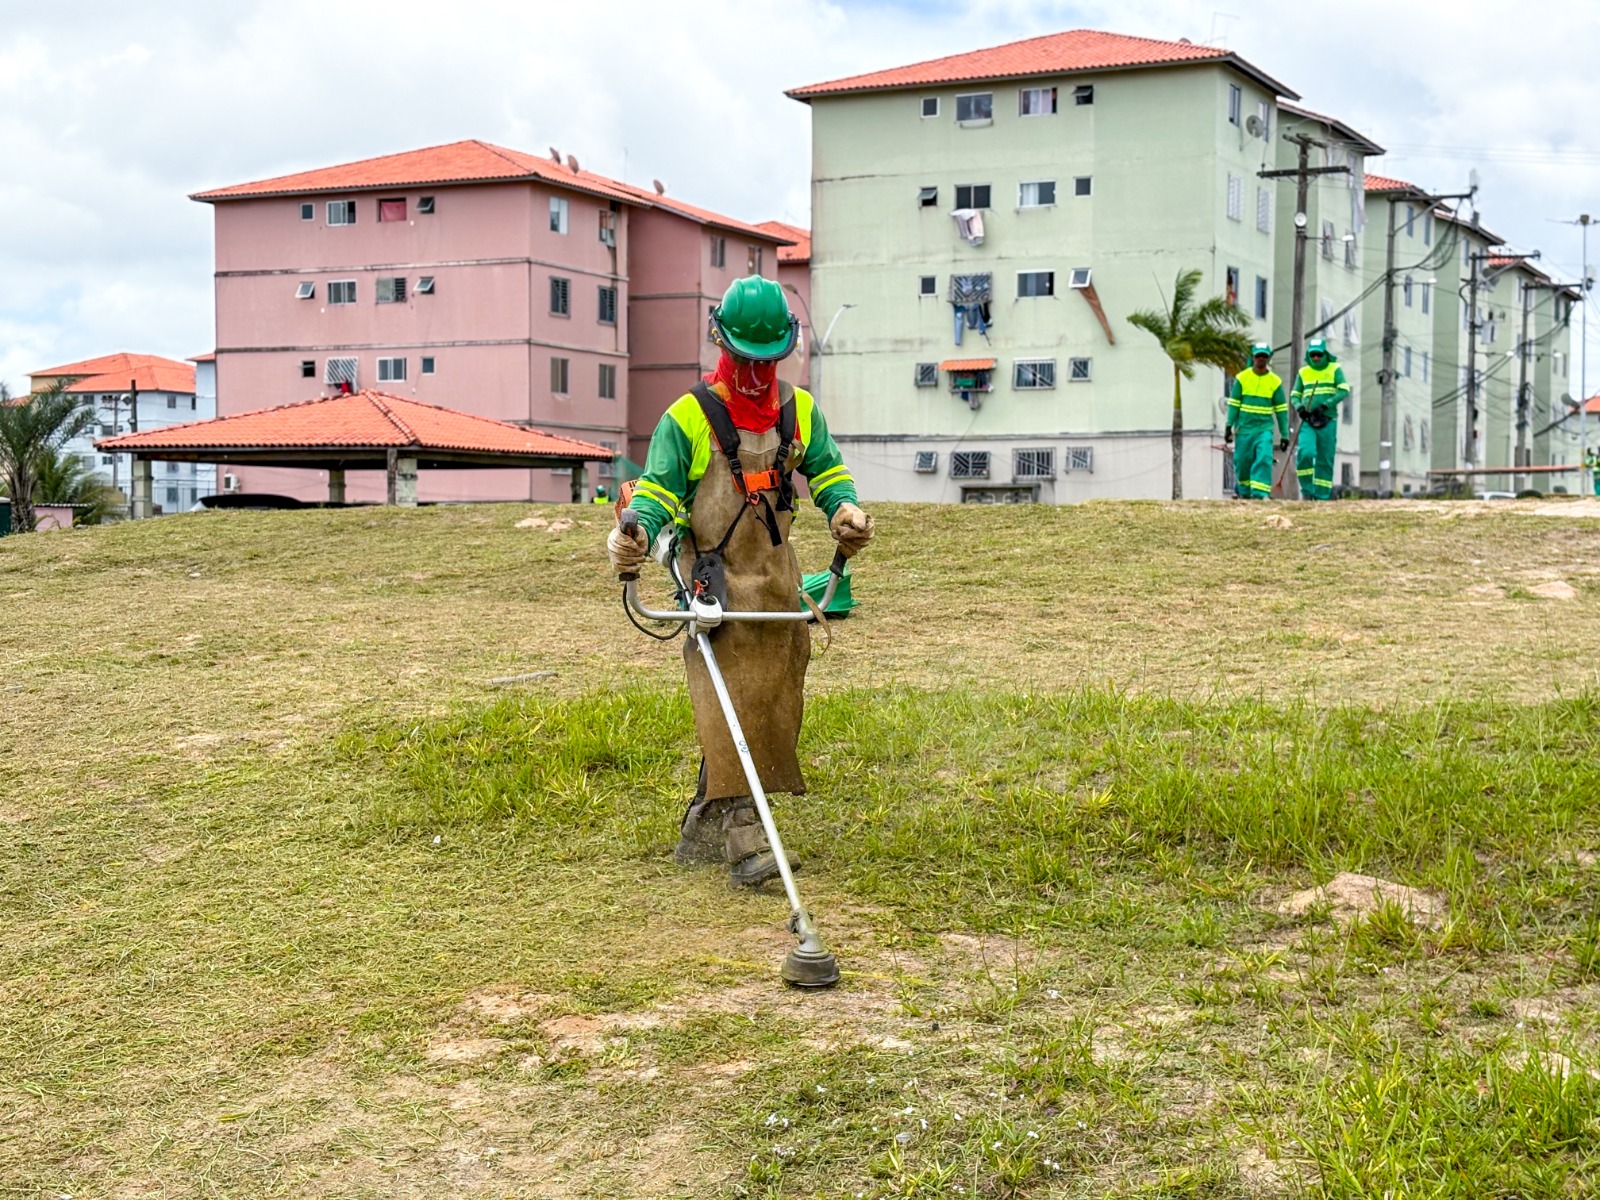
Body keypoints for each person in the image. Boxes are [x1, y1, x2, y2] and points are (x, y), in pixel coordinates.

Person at [605, 276, 874, 887]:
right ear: (720, 342)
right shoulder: (688, 419)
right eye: (747, 360)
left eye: (769, 361)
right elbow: (655, 492)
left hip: (778, 587)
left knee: (769, 703)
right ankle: (747, 841)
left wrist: (844, 512)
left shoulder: (799, 411)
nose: (757, 374)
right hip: (716, 590)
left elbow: (828, 470)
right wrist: (636, 533)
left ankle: (704, 821)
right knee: (731, 701)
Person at [1225, 343, 1290, 499]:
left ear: (1268, 358)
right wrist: (1228, 426)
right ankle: (1244, 493)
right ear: (1253, 357)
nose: (1261, 359)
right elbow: (1234, 404)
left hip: (1264, 429)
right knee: (1242, 461)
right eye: (1258, 355)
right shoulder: (1242, 378)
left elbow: (1281, 410)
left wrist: (1284, 434)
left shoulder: (1275, 382)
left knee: (1263, 458)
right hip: (1243, 429)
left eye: (1264, 356)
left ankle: (1260, 494)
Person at [1291, 339, 1350, 501]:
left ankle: (1322, 496)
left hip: (1327, 420)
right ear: (1309, 355)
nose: (1316, 358)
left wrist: (1326, 405)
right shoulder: (1303, 372)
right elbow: (1294, 394)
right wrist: (1300, 408)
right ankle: (1308, 492)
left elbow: (1344, 390)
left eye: (1319, 354)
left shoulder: (1334, 369)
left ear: (1325, 354)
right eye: (1313, 355)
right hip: (1308, 421)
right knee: (1305, 453)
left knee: (1325, 458)